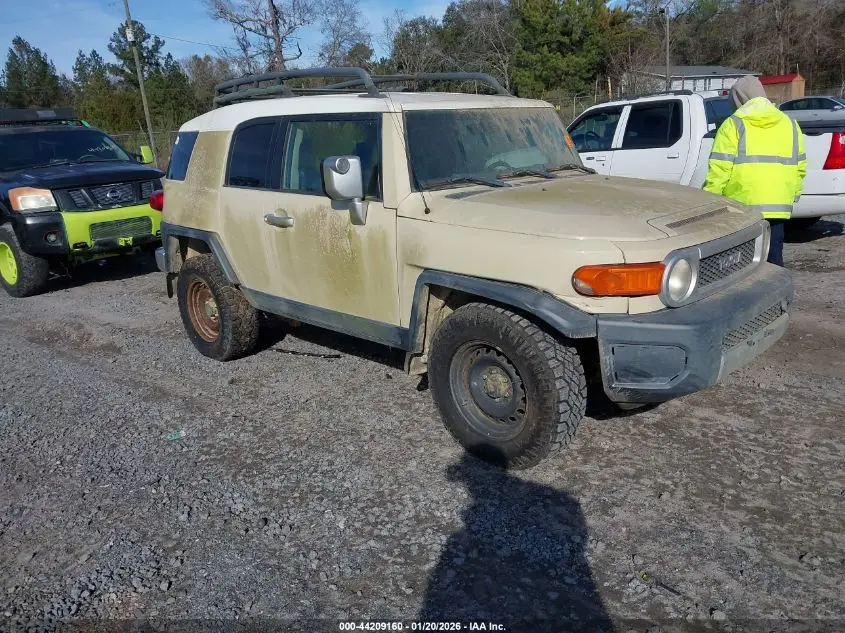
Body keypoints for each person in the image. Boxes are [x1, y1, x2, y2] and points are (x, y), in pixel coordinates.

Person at [704, 75, 807, 267]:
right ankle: (774, 294)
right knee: (773, 262)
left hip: (741, 206)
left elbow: (719, 168)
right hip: (778, 206)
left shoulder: (733, 124)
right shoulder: (790, 124)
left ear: (738, 100)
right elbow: (800, 166)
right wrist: (792, 195)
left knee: (740, 265)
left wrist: (709, 202)